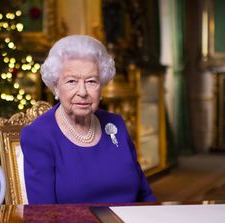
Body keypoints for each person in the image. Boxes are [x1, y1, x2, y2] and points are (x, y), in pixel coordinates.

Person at [20, 35, 156, 204]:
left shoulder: (115, 124)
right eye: (71, 81)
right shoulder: (38, 135)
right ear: (56, 86)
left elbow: (145, 195)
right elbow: (43, 215)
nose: (82, 92)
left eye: (91, 81)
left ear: (102, 86)